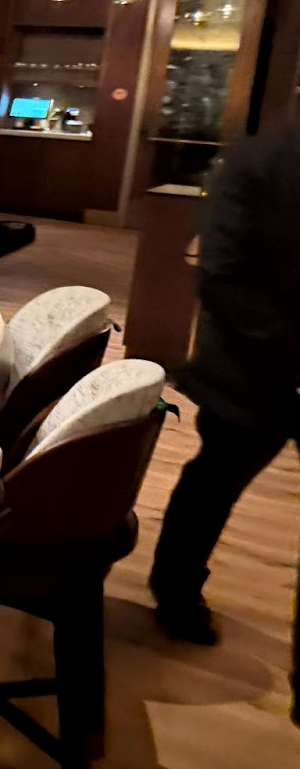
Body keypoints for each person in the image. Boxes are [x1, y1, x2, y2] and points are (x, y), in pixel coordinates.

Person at [149, 123, 300, 726]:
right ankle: (176, 591)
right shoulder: (262, 158)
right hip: (253, 367)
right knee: (214, 483)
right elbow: (222, 275)